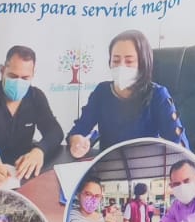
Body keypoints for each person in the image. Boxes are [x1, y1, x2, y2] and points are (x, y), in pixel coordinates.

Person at [66, 30, 188, 158]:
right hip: (109, 165)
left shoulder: (157, 94)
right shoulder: (101, 92)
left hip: (145, 165)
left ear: (142, 63)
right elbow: (78, 130)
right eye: (116, 60)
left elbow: (180, 147)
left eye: (129, 61)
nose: (121, 67)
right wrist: (76, 140)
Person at [0, 46, 62, 184]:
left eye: (25, 78)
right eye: (13, 76)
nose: (18, 82)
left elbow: (55, 131)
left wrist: (39, 151)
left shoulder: (36, 96)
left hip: (22, 175)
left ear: (33, 75)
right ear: (2, 70)